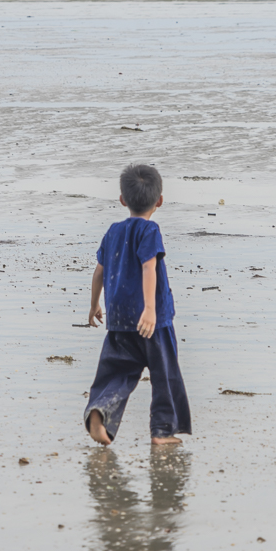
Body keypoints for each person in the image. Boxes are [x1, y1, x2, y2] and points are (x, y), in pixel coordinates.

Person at [85, 164, 190, 445]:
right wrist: (150, 309)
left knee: (117, 370)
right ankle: (162, 431)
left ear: (122, 199)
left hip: (119, 316)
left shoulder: (113, 231)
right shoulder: (149, 230)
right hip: (153, 319)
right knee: (164, 372)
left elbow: (99, 271)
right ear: (160, 201)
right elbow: (148, 267)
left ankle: (99, 412)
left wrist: (94, 304)